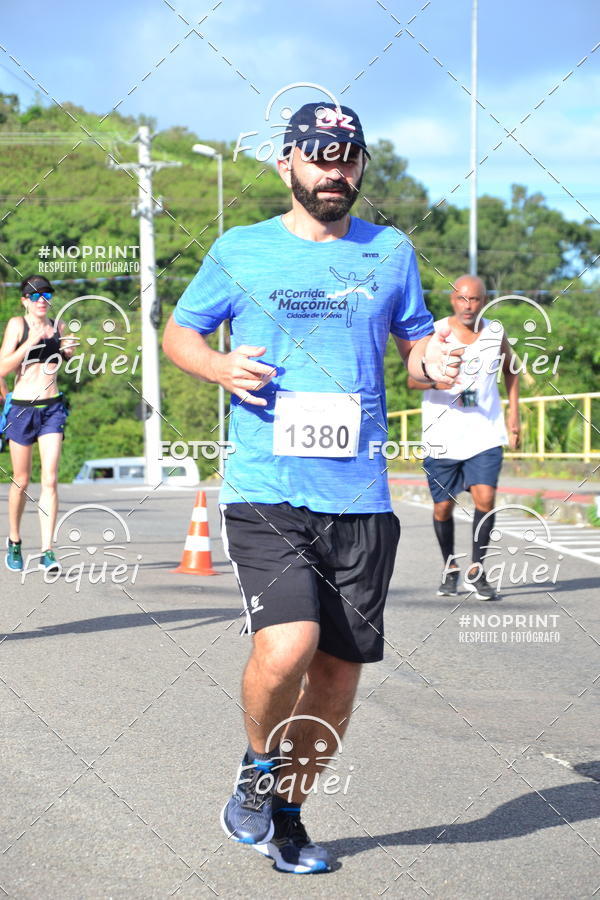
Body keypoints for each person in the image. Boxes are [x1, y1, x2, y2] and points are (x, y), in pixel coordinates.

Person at [163, 102, 462, 874]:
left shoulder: (389, 252)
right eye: (322, 154)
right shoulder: (241, 250)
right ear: (287, 162)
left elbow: (415, 343)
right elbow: (180, 333)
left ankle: (288, 814)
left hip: (360, 496)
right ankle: (257, 771)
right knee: (288, 645)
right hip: (268, 485)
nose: (338, 168)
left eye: (351, 155)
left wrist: (436, 366)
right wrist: (219, 366)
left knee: (335, 674)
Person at [408, 274, 520, 601]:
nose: (468, 306)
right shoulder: (437, 333)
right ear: (452, 300)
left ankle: (477, 571)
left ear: (484, 301)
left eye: (474, 299)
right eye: (462, 299)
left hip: (484, 432)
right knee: (443, 507)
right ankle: (449, 567)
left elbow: (511, 369)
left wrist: (513, 414)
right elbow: (412, 380)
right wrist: (433, 382)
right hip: (442, 435)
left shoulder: (495, 332)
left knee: (485, 499)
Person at [0, 275, 75, 572]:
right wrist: (29, 343)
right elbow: (3, 367)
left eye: (46, 294)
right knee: (21, 480)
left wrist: (68, 350)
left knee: (51, 478)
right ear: (24, 301)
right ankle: (15, 540)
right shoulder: (18, 325)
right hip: (21, 409)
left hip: (52, 408)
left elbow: (67, 356)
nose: (41, 300)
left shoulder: (58, 326)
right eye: (34, 296)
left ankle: (47, 550)